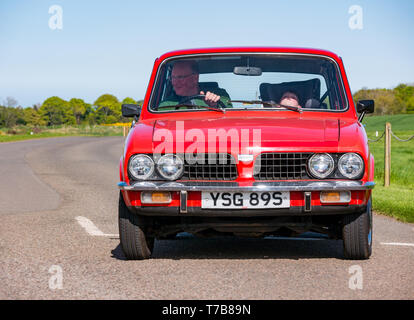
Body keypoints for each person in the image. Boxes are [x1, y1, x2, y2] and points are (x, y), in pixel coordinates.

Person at [158, 60, 231, 109]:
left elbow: (231, 119)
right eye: (173, 78)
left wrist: (215, 105)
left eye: (180, 77)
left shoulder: (220, 95)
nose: (174, 82)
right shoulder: (166, 105)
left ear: (195, 78)